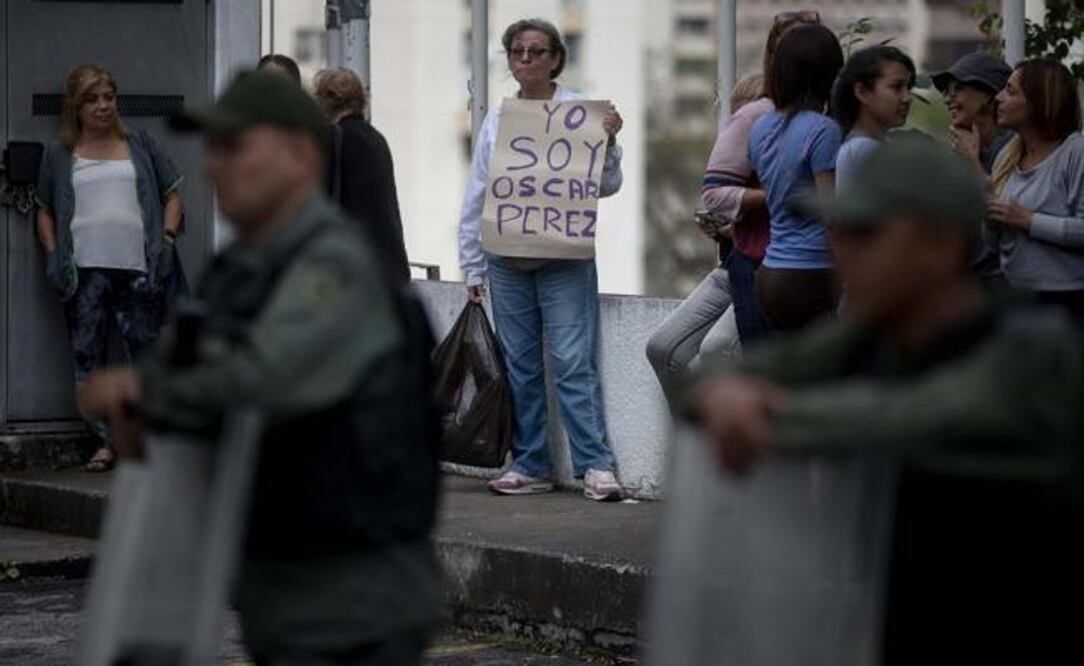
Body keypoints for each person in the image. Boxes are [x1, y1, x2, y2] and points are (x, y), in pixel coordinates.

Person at [79, 70, 442, 664]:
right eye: (211, 148)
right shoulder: (243, 270)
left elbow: (265, 375)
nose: (213, 166)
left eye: (234, 146)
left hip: (354, 603)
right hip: (279, 587)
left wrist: (148, 391)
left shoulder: (337, 265)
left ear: (300, 155)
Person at [684, 137, 1083, 664]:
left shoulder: (1033, 346)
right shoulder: (871, 334)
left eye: (867, 232)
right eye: (840, 229)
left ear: (941, 244)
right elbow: (713, 377)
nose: (842, 250)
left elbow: (911, 415)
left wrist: (758, 411)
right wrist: (718, 392)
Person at [457, 18, 624, 500]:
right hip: (505, 259)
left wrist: (609, 145)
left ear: (556, 59)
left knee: (573, 361)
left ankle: (595, 464)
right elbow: (478, 193)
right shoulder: (497, 119)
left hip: (563, 259)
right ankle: (531, 463)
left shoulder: (581, 112)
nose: (526, 59)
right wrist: (471, 263)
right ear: (509, 60)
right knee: (520, 365)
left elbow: (606, 186)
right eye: (517, 52)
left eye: (536, 51)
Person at [645, 11, 822, 393]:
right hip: (746, 259)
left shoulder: (824, 121)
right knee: (665, 348)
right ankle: (702, 429)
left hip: (790, 267)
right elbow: (718, 191)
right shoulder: (760, 116)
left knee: (718, 351)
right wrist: (757, 207)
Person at [35, 64, 183, 473]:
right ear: (76, 107)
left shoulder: (140, 143)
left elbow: (173, 193)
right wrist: (53, 256)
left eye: (109, 98)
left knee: (142, 357)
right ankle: (103, 441)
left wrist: (167, 240)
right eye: (93, 100)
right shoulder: (59, 153)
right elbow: (44, 210)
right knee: (88, 358)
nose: (103, 106)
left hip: (138, 269)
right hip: (83, 272)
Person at [748, 23, 844, 332]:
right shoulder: (823, 130)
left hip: (770, 273)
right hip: (811, 273)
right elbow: (831, 214)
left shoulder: (761, 127)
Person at [988, 58, 1084, 322]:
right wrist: (991, 217)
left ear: (1039, 101)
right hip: (1013, 297)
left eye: (1010, 91)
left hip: (1066, 304)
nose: (998, 97)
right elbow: (994, 244)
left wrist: (1027, 220)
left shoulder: (1075, 152)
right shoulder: (1006, 156)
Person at [314, 66, 411, 283]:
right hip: (389, 264)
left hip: (352, 268)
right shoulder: (376, 138)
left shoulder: (335, 138)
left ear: (326, 101)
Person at [931, 52, 1013, 283]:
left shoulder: (1015, 151)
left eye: (957, 89)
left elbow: (1002, 220)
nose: (948, 99)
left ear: (987, 94)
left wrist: (972, 164)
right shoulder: (953, 154)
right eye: (946, 91)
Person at [831, 45, 916, 190]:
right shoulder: (864, 150)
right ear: (862, 92)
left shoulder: (868, 146)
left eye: (908, 88)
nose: (907, 98)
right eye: (897, 87)